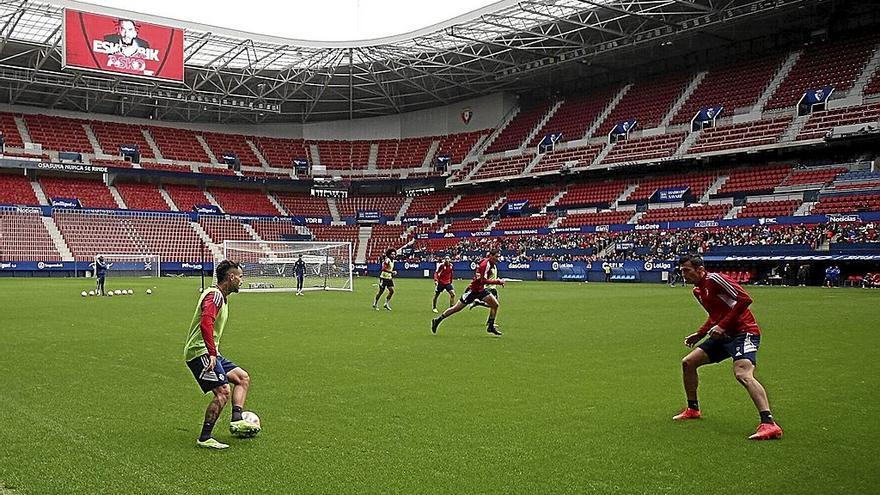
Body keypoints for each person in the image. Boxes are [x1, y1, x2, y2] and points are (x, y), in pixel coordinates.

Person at [673, 254, 783, 441]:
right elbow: (715, 315)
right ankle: (693, 409)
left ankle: (769, 423)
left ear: (700, 269)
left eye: (687, 270)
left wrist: (723, 326)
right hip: (723, 336)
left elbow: (744, 299)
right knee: (688, 363)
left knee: (743, 374)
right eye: (681, 271)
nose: (683, 274)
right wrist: (700, 334)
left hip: (744, 332)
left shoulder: (715, 279)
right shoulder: (698, 291)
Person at [184, 260, 259, 449]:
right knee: (223, 392)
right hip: (200, 352)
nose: (241, 281)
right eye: (240, 277)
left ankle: (237, 420)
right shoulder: (215, 296)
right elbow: (205, 323)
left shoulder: (222, 298)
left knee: (242, 378)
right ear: (231, 277)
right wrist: (211, 353)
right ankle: (205, 437)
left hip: (210, 352)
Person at [432, 249, 505, 336]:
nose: (498, 259)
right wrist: (498, 282)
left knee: (495, 304)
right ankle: (437, 320)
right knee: (456, 308)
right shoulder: (486, 265)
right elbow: (482, 280)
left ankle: (490, 326)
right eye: (496, 256)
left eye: (498, 256)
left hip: (480, 290)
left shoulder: (489, 263)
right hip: (472, 291)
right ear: (491, 256)